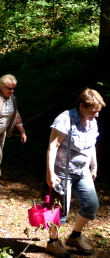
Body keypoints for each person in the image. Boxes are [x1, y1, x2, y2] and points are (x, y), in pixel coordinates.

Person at [45, 88, 105, 257]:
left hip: (82, 170)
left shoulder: (92, 120)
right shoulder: (65, 119)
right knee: (60, 209)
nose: (97, 115)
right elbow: (53, 146)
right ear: (81, 106)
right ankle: (53, 242)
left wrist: (94, 165)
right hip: (62, 171)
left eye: (98, 111)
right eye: (94, 111)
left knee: (91, 205)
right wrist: (50, 173)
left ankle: (74, 237)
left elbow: (92, 143)